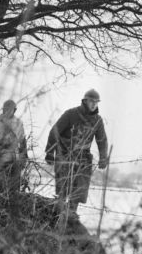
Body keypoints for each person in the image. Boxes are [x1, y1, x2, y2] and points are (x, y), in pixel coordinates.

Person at [45, 89, 109, 217]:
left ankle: (71, 219)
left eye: (96, 102)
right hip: (65, 156)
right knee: (63, 191)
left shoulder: (97, 120)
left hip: (83, 159)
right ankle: (58, 217)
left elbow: (102, 140)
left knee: (78, 193)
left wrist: (103, 158)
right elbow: (55, 131)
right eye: (91, 101)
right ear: (85, 101)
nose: (94, 105)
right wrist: (50, 152)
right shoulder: (71, 114)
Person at [0, 99, 28, 208]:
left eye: (11, 109)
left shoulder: (19, 123)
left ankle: (9, 211)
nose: (9, 111)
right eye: (7, 109)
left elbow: (23, 143)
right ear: (4, 109)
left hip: (13, 160)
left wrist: (24, 158)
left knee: (13, 190)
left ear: (14, 110)